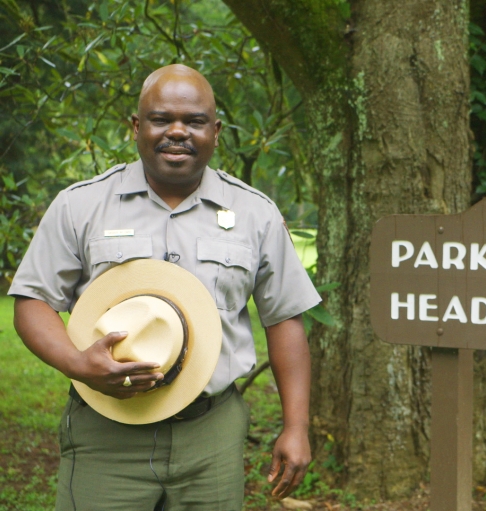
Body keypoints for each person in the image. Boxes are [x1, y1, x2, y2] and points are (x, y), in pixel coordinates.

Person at [9, 64, 320, 510]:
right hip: (106, 430)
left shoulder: (256, 214)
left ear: (215, 131)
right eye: (160, 119)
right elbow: (32, 300)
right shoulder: (81, 205)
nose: (177, 132)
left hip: (210, 433)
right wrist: (78, 363)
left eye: (194, 121)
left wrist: (296, 426)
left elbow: (285, 318)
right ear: (136, 126)